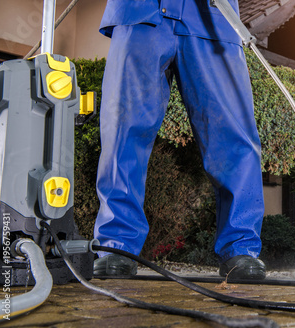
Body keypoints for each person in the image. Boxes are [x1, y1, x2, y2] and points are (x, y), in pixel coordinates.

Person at [92, 0, 266, 280]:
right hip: (140, 12)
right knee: (123, 132)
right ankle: (117, 245)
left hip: (212, 17)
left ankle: (240, 247)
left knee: (233, 135)